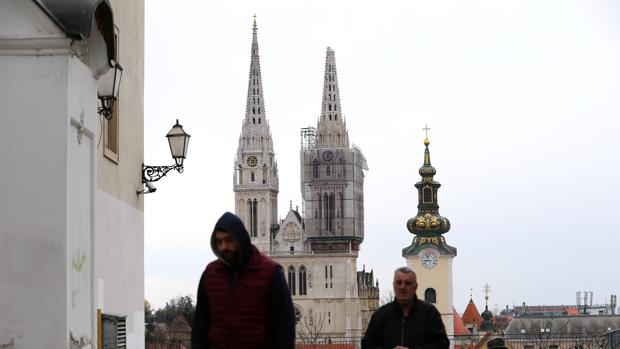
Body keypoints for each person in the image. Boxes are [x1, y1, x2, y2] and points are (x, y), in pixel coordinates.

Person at [191, 212, 295, 349]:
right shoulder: (210, 274)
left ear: (240, 238)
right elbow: (200, 326)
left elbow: (285, 328)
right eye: (219, 241)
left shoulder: (271, 273)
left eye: (229, 240)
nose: (223, 247)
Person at [362, 266, 450, 349]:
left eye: (407, 283)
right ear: (394, 286)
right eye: (399, 283)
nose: (402, 287)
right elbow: (366, 345)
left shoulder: (430, 313)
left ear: (415, 287)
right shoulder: (380, 315)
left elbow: (442, 344)